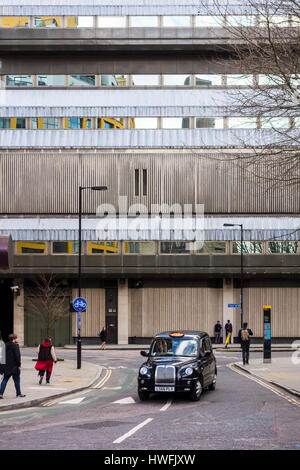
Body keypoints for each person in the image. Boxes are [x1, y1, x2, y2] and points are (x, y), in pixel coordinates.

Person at [0, 333, 26, 399]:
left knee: (4, 380)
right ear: (14, 339)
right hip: (14, 367)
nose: (17, 339)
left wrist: (2, 367)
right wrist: (19, 364)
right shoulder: (15, 346)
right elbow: (17, 356)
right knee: (17, 381)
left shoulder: (5, 345)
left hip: (7, 367)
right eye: (17, 338)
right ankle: (18, 394)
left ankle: (0, 394)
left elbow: (2, 357)